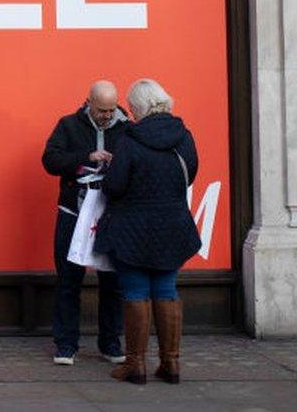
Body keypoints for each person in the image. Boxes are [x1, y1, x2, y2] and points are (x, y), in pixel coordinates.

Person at [94, 78, 202, 385]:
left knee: (135, 291)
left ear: (137, 108)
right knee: (167, 289)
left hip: (132, 228)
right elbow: (189, 174)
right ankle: (171, 364)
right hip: (173, 224)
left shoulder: (130, 139)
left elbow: (114, 186)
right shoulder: (184, 136)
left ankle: (136, 365)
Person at [41, 80, 127, 366]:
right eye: (102, 109)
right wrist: (86, 157)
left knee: (112, 280)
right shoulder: (67, 125)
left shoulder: (127, 127)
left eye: (112, 109)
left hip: (111, 214)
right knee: (68, 279)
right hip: (73, 212)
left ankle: (111, 343)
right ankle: (66, 345)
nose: (107, 115)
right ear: (87, 102)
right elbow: (50, 160)